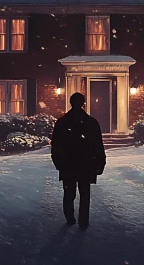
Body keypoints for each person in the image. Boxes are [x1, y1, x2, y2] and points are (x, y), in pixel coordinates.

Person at [50, 92, 106, 229]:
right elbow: (98, 145)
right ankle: (83, 221)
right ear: (83, 104)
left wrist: (59, 163)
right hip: (85, 163)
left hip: (68, 164)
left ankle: (70, 218)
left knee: (69, 193)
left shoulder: (62, 122)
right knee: (84, 194)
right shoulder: (91, 122)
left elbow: (56, 145)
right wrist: (100, 162)